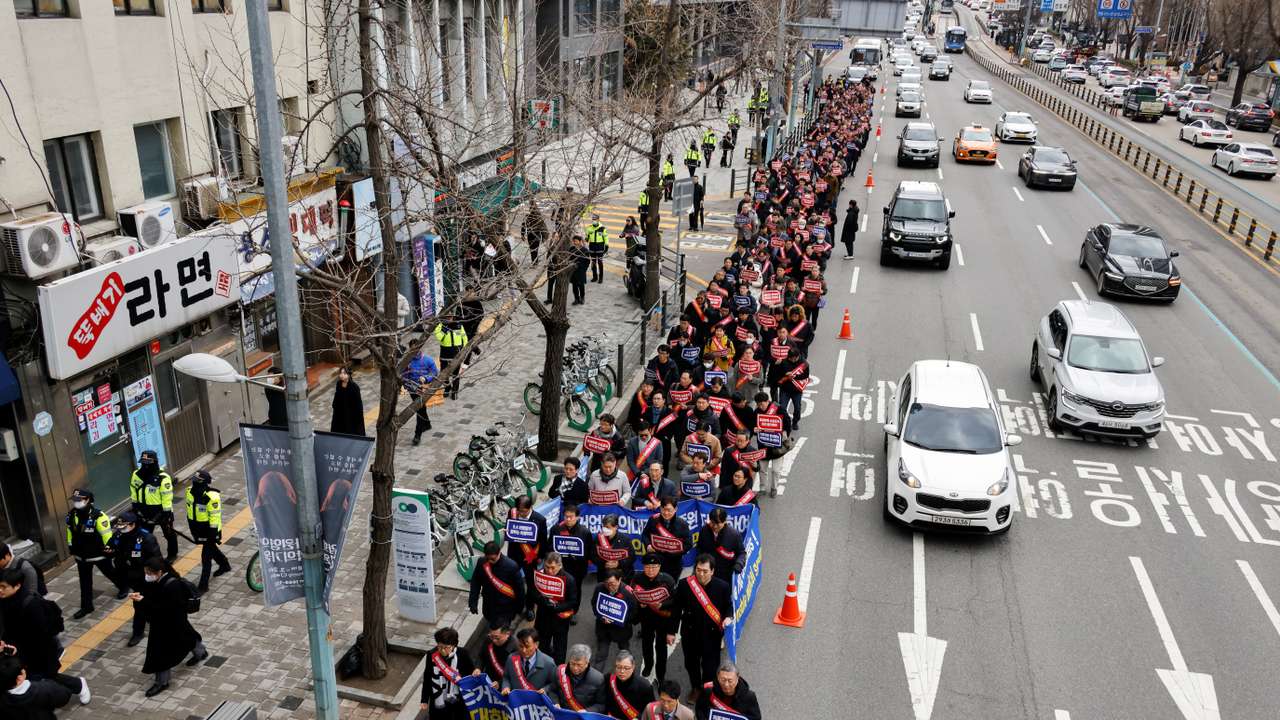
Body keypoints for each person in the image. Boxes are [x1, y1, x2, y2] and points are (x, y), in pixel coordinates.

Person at [132, 557, 207, 697]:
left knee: (159, 653)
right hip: (172, 621)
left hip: (167, 623)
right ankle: (200, 652)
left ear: (159, 572)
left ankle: (162, 682)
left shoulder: (172, 585)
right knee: (186, 636)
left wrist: (143, 601)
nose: (147, 575)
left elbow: (163, 608)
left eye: (149, 573)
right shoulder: (162, 580)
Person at [669, 555, 733, 702]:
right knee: (691, 664)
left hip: (712, 635)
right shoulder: (685, 585)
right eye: (698, 570)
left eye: (705, 571)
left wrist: (728, 617)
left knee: (710, 666)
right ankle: (696, 688)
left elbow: (728, 606)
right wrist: (671, 632)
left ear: (712, 571)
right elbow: (676, 609)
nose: (701, 574)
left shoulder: (722, 586)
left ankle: (708, 690)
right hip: (690, 633)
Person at [63, 489, 128, 619]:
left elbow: (107, 535)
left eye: (78, 500)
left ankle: (123, 586)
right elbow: (70, 532)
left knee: (109, 572)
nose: (75, 503)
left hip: (98, 554)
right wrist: (71, 546)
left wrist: (110, 549)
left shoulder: (99, 516)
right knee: (84, 582)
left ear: (87, 500)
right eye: (74, 500)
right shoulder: (72, 515)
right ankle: (86, 607)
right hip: (81, 555)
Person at [0, 569, 67, 684]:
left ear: (17, 586)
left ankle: (78, 685)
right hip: (17, 652)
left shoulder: (31, 604)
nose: (0, 590)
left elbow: (41, 636)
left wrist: (18, 649)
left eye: (3, 587)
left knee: (45, 679)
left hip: (37, 654)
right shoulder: (4, 600)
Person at [108, 511, 162, 647]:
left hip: (144, 578)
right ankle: (150, 620)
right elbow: (111, 545)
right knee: (143, 604)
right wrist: (108, 550)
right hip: (128, 575)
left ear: (133, 525)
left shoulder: (146, 538)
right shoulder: (120, 535)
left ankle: (138, 632)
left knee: (140, 605)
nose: (121, 529)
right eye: (119, 526)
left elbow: (157, 559)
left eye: (124, 526)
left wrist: (153, 576)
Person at [0, 652, 89, 718]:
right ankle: (78, 684)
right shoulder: (43, 688)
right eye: (23, 670)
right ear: (19, 678)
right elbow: (63, 696)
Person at [632, 554, 677, 684]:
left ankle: (661, 674)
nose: (651, 570)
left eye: (654, 567)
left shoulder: (668, 580)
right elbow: (632, 595)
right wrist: (639, 603)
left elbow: (676, 602)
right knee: (646, 644)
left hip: (663, 619)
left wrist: (662, 605)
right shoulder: (637, 578)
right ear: (643, 567)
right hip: (646, 619)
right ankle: (648, 665)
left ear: (659, 567)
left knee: (661, 647)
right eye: (648, 567)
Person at [185, 470, 231, 593]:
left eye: (197, 481)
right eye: (193, 481)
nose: (194, 483)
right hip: (197, 529)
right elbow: (189, 511)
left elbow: (215, 516)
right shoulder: (189, 492)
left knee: (206, 557)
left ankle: (203, 586)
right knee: (211, 549)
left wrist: (212, 534)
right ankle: (225, 565)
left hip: (210, 530)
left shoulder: (212, 496)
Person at [129, 449, 178, 563]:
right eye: (143, 463)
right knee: (143, 535)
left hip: (160, 510)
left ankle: (172, 554)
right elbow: (133, 490)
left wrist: (167, 513)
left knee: (169, 534)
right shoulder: (137, 475)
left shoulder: (162, 477)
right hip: (143, 510)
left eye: (148, 463)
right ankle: (147, 555)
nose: (145, 466)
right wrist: (135, 506)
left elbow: (167, 496)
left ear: (154, 462)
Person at [507, 495, 549, 620]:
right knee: (512, 580)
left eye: (523, 511)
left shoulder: (539, 520)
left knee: (531, 583)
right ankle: (515, 604)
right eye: (519, 510)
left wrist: (541, 556)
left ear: (530, 507)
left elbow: (543, 540)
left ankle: (530, 607)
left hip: (530, 556)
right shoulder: (512, 513)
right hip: (514, 553)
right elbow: (510, 527)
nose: (521, 513)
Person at [532, 552, 578, 664]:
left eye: (553, 568)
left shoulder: (569, 580)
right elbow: (534, 594)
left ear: (560, 565)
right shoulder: (540, 575)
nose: (549, 571)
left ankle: (559, 672)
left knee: (560, 650)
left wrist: (557, 607)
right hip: (543, 618)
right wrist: (543, 601)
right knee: (542, 647)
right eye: (547, 567)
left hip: (560, 621)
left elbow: (572, 602)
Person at [421, 626, 474, 719]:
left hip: (458, 700)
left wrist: (476, 671)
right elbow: (427, 677)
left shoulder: (463, 654)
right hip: (439, 697)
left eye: (446, 647)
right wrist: (424, 699)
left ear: (453, 645)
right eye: (439, 646)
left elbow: (471, 672)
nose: (441, 650)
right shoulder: (432, 655)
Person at [468, 542, 525, 629]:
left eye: (493, 559)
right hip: (489, 606)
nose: (490, 561)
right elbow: (476, 582)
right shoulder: (482, 562)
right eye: (488, 558)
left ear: (499, 553)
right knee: (492, 631)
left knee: (501, 634)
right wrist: (473, 602)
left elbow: (519, 590)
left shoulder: (511, 566)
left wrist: (518, 609)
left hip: (505, 609)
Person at [590, 569, 638, 671]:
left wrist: (619, 620)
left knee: (625, 654)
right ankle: (596, 680)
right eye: (606, 584)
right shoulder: (599, 588)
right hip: (603, 629)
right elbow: (595, 604)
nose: (609, 587)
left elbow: (634, 612)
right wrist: (601, 617)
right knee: (600, 656)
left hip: (622, 631)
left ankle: (629, 674)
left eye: (612, 584)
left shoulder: (628, 593)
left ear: (619, 579)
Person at [549, 503, 592, 607]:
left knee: (575, 590)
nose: (568, 519)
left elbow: (590, 552)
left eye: (571, 517)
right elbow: (549, 547)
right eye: (566, 516)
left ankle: (573, 610)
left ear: (577, 517)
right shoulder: (556, 529)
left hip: (577, 568)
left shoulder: (584, 532)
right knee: (559, 588)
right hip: (560, 567)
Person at [641, 497, 693, 582]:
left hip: (673, 564)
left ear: (675, 509)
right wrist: (648, 545)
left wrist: (674, 551)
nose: (666, 513)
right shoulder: (653, 520)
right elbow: (645, 535)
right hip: (655, 562)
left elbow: (688, 544)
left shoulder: (683, 524)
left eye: (669, 510)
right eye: (663, 509)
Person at [596, 651, 654, 720]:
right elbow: (600, 699)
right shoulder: (608, 679)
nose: (622, 671)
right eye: (619, 667)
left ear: (633, 667)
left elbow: (651, 709)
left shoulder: (644, 686)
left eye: (626, 668)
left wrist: (638, 718)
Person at [694, 662, 761, 720]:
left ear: (737, 678)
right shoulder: (708, 690)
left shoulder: (749, 697)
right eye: (723, 680)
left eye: (730, 680)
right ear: (717, 677)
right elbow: (699, 709)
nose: (726, 684)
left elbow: (756, 718)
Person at [695, 508, 746, 583]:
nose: (714, 526)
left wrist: (739, 564)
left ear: (725, 521)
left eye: (718, 523)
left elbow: (742, 553)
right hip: (707, 573)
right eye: (712, 522)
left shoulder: (734, 535)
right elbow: (699, 548)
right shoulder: (704, 530)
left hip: (725, 575)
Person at [501, 628, 556, 694]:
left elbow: (554, 684)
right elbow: (506, 677)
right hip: (515, 700)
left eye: (527, 647)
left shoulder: (549, 663)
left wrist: (545, 689)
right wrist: (506, 687)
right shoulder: (511, 658)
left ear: (536, 644)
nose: (524, 650)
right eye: (521, 646)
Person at [552, 644, 604, 712]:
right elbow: (552, 690)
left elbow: (601, 704)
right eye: (572, 664)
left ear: (587, 663)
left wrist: (587, 711)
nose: (575, 668)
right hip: (562, 714)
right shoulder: (560, 671)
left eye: (579, 665)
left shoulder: (598, 679)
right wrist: (555, 703)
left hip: (583, 717)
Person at [402, 351, 438, 445]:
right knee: (421, 408)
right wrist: (405, 384)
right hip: (412, 389)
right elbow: (403, 374)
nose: (415, 352)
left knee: (419, 409)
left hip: (423, 388)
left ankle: (417, 435)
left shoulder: (428, 360)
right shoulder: (407, 361)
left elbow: (434, 372)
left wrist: (426, 378)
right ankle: (427, 424)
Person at [434, 318, 469, 400]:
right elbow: (439, 338)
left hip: (457, 353)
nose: (449, 319)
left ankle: (454, 391)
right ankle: (447, 387)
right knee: (443, 373)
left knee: (455, 374)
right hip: (445, 353)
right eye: (447, 317)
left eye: (450, 317)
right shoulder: (440, 326)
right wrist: (445, 329)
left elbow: (464, 337)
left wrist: (464, 350)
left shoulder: (458, 324)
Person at [591, 515, 634, 583]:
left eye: (608, 527)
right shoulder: (598, 539)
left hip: (622, 576)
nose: (605, 529)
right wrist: (604, 563)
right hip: (604, 575)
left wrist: (618, 564)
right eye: (603, 526)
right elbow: (593, 555)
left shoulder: (625, 540)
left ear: (616, 527)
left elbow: (632, 557)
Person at [329, 366, 365, 435]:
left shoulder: (355, 387)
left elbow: (359, 406)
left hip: (351, 416)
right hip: (340, 415)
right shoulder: (339, 384)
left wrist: (357, 419)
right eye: (341, 373)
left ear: (348, 375)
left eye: (344, 373)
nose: (342, 375)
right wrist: (334, 406)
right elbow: (337, 397)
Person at [586, 214, 608, 284]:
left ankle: (601, 277)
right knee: (593, 262)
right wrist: (586, 238)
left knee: (600, 262)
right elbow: (587, 236)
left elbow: (606, 237)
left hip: (600, 246)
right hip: (592, 246)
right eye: (593, 219)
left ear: (598, 220)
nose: (594, 221)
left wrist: (606, 245)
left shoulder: (602, 228)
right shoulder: (589, 228)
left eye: (595, 219)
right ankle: (595, 277)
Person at [570, 235, 591, 305]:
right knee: (574, 286)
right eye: (574, 241)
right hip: (573, 270)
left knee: (581, 285)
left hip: (581, 270)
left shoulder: (585, 250)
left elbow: (588, 261)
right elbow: (569, 259)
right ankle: (576, 298)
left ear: (580, 241)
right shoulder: (571, 249)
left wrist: (584, 269)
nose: (574, 242)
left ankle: (582, 298)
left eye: (576, 241)